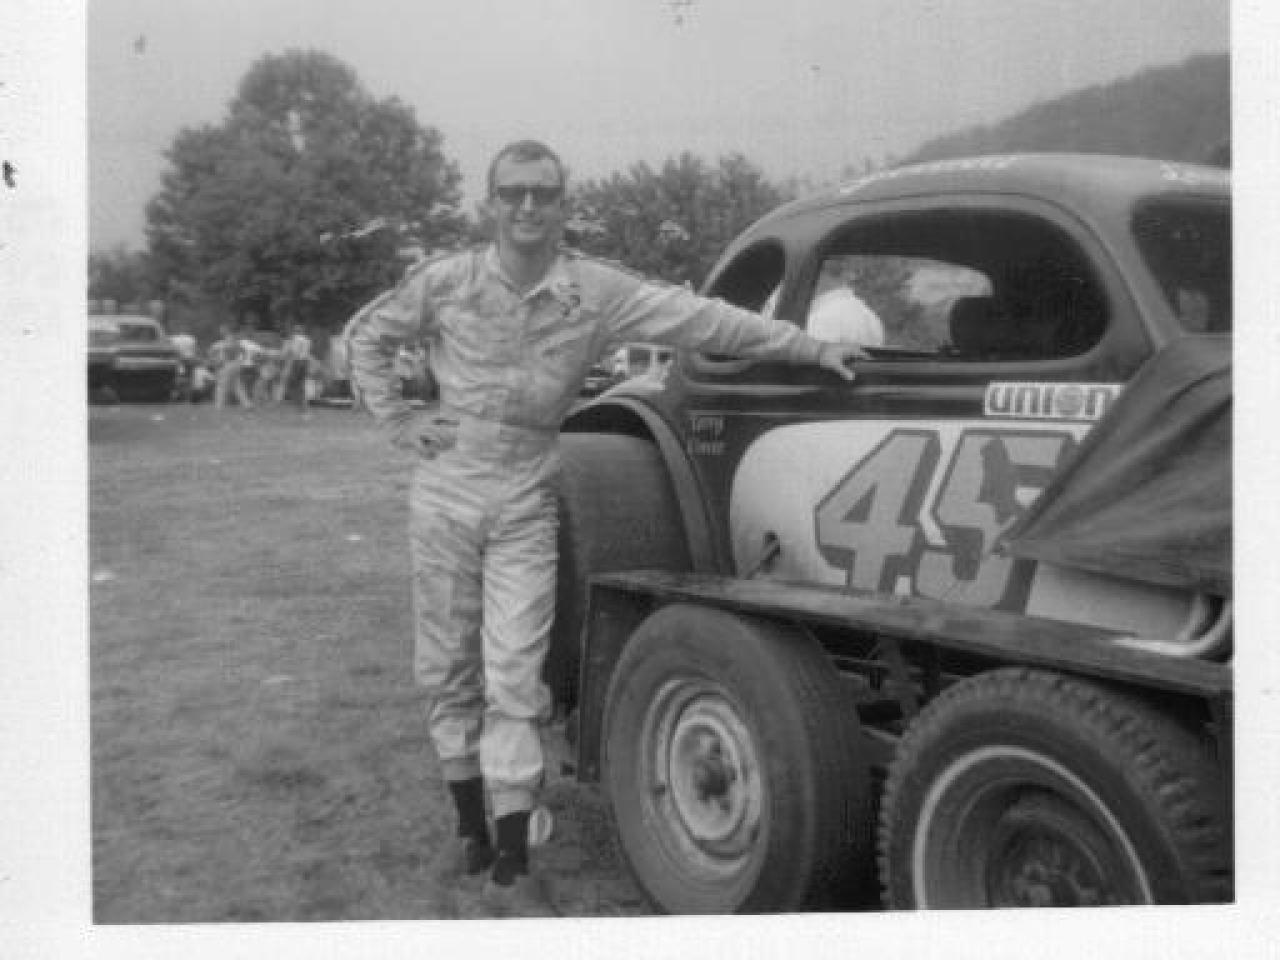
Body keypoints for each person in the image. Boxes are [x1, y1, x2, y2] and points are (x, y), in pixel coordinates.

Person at [346, 139, 863, 915]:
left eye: (543, 193)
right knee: (447, 664)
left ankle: (512, 858)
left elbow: (706, 321)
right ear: (491, 204)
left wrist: (811, 346)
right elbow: (366, 336)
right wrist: (398, 418)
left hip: (527, 497)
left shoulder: (596, 291)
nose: (528, 206)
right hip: (446, 495)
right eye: (513, 193)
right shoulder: (447, 281)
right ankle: (469, 828)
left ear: (563, 205)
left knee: (514, 671)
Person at [208, 323, 252, 409]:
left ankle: (219, 405)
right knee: (237, 386)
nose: (220, 331)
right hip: (235, 364)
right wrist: (242, 360)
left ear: (226, 330)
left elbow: (230, 350)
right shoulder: (232, 339)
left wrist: (220, 359)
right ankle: (247, 404)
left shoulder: (229, 339)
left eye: (222, 329)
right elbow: (243, 351)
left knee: (222, 385)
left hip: (229, 364)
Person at [275, 321, 314, 407]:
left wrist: (284, 363)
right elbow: (306, 353)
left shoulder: (292, 340)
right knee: (301, 383)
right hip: (304, 363)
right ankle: (303, 402)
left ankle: (279, 400)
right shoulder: (308, 340)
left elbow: (291, 353)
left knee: (285, 381)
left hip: (295, 362)